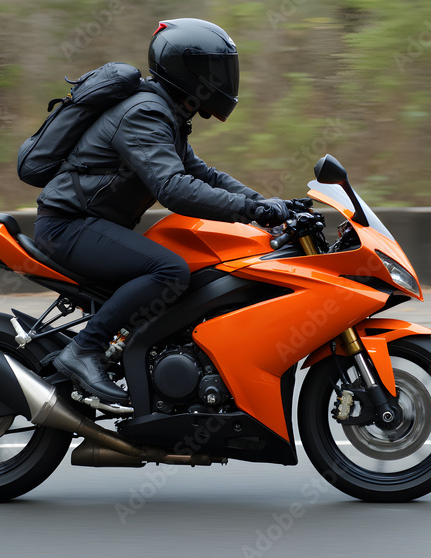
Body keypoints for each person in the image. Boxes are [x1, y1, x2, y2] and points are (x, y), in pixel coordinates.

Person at [34, 18, 292, 404]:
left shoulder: (166, 113)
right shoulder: (145, 113)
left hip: (90, 225)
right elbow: (174, 188)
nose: (222, 79)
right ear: (186, 70)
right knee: (170, 270)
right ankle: (84, 350)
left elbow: (203, 174)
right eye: (213, 69)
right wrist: (250, 210)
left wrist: (273, 206)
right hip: (68, 227)